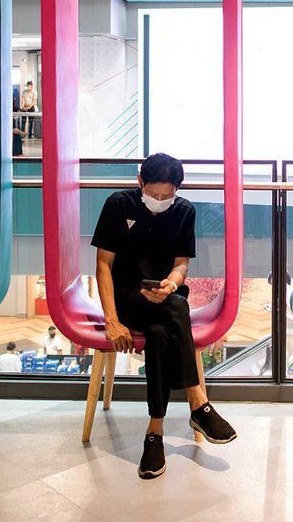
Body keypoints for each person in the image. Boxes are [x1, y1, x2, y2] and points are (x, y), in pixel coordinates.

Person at [91, 152, 236, 479]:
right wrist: (112, 320)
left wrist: (171, 283)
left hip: (166, 297)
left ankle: (154, 433)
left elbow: (181, 264)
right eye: (153, 194)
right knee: (177, 308)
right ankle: (199, 402)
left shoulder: (184, 211)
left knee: (160, 330)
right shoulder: (118, 205)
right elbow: (103, 265)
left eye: (166, 196)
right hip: (128, 297)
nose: (159, 201)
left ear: (176, 190)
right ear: (140, 182)